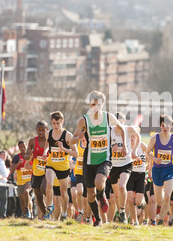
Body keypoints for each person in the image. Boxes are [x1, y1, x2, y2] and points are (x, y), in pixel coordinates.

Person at [70, 91, 127, 227]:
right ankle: (98, 219)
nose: (96, 107)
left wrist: (124, 145)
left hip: (104, 158)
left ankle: (102, 196)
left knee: (99, 183)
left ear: (103, 104)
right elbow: (72, 140)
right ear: (89, 104)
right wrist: (79, 137)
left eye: (98, 104)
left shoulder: (108, 117)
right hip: (89, 160)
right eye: (93, 104)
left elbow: (122, 129)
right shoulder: (83, 120)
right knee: (90, 194)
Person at [42, 111, 78, 221]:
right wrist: (45, 152)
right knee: (49, 183)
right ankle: (49, 208)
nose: (56, 126)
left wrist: (64, 149)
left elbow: (76, 153)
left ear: (62, 122)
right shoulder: (48, 133)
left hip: (63, 167)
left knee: (63, 193)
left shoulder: (68, 135)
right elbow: (47, 145)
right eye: (53, 123)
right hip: (51, 164)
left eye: (58, 123)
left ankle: (64, 213)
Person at [109, 112, 140, 224]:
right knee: (117, 194)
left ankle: (122, 212)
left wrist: (135, 150)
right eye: (116, 120)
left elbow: (138, 136)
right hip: (113, 165)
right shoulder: (110, 131)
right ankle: (121, 212)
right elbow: (105, 145)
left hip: (126, 163)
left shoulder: (128, 129)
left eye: (120, 119)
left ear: (124, 121)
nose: (118, 122)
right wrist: (112, 149)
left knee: (122, 186)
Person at [25, 121, 48, 220]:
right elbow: (26, 156)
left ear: (46, 130)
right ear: (36, 130)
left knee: (44, 188)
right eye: (39, 130)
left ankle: (54, 203)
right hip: (36, 171)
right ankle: (46, 213)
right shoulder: (32, 141)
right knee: (38, 196)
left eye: (43, 130)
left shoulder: (49, 140)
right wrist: (29, 155)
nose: (41, 132)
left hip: (47, 171)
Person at [126, 126, 148, 226]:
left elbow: (150, 157)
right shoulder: (126, 146)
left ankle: (142, 202)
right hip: (130, 174)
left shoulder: (142, 146)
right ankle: (134, 221)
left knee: (138, 202)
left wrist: (148, 169)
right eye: (131, 135)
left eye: (134, 135)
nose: (132, 137)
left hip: (141, 175)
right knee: (130, 199)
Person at [11, 141, 34, 219]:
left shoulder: (31, 156)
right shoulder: (16, 157)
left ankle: (28, 211)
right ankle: (25, 214)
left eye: (24, 146)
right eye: (21, 147)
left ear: (27, 146)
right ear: (19, 148)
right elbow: (11, 169)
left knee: (26, 192)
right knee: (22, 199)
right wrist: (18, 164)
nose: (23, 148)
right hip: (20, 181)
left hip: (30, 180)